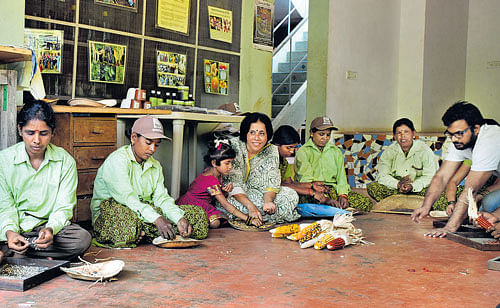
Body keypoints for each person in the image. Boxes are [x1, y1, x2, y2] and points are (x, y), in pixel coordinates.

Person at [91, 115, 209, 248]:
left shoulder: (155, 166)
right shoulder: (117, 161)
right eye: (148, 143)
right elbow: (128, 199)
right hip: (114, 210)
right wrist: (156, 219)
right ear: (134, 138)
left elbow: (161, 198)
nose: (153, 149)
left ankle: (143, 233)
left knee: (198, 218)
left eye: (156, 144)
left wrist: (178, 218)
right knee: (126, 225)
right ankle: (141, 231)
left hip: (146, 209)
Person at [0, 100, 91, 263]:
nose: (36, 140)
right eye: (30, 133)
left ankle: (16, 254)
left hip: (47, 230)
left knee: (81, 239)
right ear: (20, 130)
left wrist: (50, 229)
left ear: (52, 132)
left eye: (43, 133)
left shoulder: (64, 161)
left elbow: (64, 207)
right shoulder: (4, 161)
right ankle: (23, 250)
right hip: (14, 228)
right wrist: (10, 232)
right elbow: (5, 206)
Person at [411, 101, 500, 237]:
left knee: (489, 203)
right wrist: (426, 206)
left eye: (458, 134)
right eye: (450, 134)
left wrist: (449, 228)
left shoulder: (490, 139)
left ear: (476, 129)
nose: (453, 139)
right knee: (484, 210)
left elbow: (471, 190)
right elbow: (442, 177)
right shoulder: (461, 139)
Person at [215, 112, 300, 225]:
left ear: (267, 135)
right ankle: (257, 216)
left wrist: (268, 202)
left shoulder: (272, 150)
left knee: (291, 195)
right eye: (252, 133)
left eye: (261, 133)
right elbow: (234, 184)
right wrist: (251, 207)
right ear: (246, 133)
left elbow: (272, 182)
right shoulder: (234, 146)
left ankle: (247, 217)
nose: (257, 138)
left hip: (260, 195)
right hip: (236, 196)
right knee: (225, 201)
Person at [295, 116, 373, 212]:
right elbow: (305, 179)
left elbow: (341, 178)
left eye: (328, 135)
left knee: (365, 203)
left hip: (332, 190)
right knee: (308, 202)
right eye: (321, 134)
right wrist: (325, 198)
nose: (325, 138)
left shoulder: (335, 151)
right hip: (313, 191)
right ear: (311, 133)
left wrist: (342, 195)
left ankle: (332, 210)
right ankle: (333, 210)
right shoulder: (303, 152)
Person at [176, 138, 259, 228]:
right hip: (193, 204)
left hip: (203, 203)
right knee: (215, 223)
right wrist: (248, 219)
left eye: (231, 163)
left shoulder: (214, 173)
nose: (230, 167)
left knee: (217, 221)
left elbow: (212, 190)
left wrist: (225, 190)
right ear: (214, 163)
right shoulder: (210, 180)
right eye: (227, 163)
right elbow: (225, 205)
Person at [272, 125, 350, 217]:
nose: (292, 151)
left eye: (328, 135)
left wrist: (313, 185)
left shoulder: (284, 161)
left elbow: (289, 184)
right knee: (292, 196)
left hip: (328, 189)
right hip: (268, 195)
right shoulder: (271, 159)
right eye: (289, 147)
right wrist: (312, 191)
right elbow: (277, 185)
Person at [367, 118, 443, 208]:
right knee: (373, 187)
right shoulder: (389, 151)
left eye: (406, 132)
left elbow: (430, 176)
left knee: (437, 192)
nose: (403, 136)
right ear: (394, 136)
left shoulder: (424, 150)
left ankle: (409, 204)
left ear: (413, 134)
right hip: (397, 189)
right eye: (399, 133)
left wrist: (412, 186)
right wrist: (398, 184)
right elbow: (382, 176)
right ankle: (404, 204)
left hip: (418, 189)